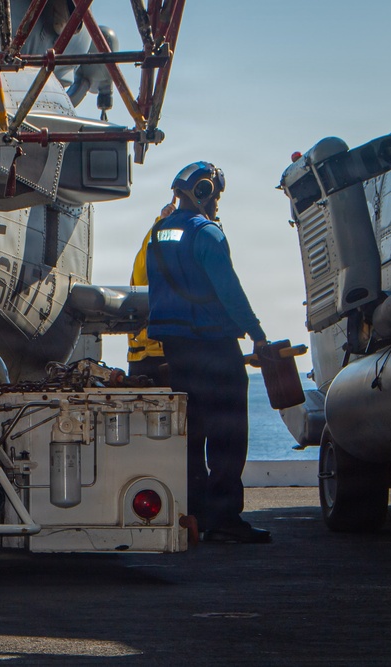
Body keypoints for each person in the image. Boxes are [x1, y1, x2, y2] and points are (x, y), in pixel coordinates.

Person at [145, 162, 271, 544]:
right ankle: (225, 519)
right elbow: (228, 290)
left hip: (177, 348)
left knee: (192, 434)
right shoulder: (207, 234)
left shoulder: (158, 233)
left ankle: (195, 516)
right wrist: (257, 333)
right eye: (213, 193)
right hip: (214, 344)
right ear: (202, 191)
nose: (216, 202)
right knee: (228, 435)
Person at [127, 201, 176, 385]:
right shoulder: (150, 264)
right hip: (155, 357)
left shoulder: (151, 264)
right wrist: (162, 221)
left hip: (144, 358)